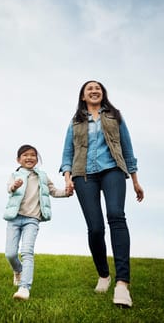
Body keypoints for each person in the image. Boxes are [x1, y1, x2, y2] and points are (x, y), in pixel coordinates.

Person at [60, 80, 144, 307]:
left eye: (98, 88)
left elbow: (127, 148)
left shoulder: (115, 115)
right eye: (90, 89)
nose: (94, 91)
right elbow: (68, 152)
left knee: (116, 216)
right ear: (83, 97)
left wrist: (135, 180)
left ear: (103, 93)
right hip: (83, 175)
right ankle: (104, 275)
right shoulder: (75, 121)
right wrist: (67, 178)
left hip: (113, 170)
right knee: (95, 228)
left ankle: (122, 284)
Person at [4, 144, 73, 300]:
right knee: (10, 253)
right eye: (25, 155)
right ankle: (18, 270)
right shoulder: (15, 175)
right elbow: (9, 188)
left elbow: (53, 191)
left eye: (33, 155)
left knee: (27, 252)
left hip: (32, 220)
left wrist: (66, 193)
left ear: (37, 158)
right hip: (14, 219)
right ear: (18, 159)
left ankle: (24, 288)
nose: (29, 157)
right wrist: (14, 186)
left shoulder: (42, 176)